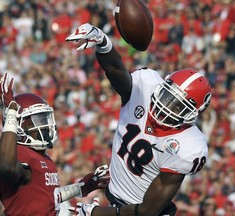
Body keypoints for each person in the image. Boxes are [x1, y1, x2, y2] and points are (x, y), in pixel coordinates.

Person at [66, 23, 212, 216]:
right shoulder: (147, 85)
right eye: (168, 97)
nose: (165, 107)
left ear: (195, 113)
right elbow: (115, 70)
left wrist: (94, 213)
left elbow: (146, 212)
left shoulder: (188, 146)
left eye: (177, 106)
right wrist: (103, 43)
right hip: (116, 202)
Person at [0, 73, 110, 216]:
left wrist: (83, 186)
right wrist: (11, 110)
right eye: (37, 121)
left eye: (44, 119)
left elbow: (49, 197)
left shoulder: (43, 158)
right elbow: (6, 168)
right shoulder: (17, 153)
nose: (45, 126)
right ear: (18, 125)